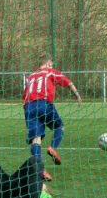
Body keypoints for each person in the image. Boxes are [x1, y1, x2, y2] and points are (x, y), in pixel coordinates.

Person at [22, 54, 82, 182]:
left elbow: (25, 95)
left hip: (28, 108)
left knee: (36, 139)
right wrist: (78, 96)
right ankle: (52, 147)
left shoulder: (30, 76)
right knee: (59, 126)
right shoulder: (50, 72)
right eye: (52, 64)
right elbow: (68, 83)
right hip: (43, 103)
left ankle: (39, 169)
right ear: (49, 63)